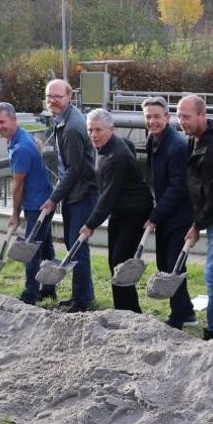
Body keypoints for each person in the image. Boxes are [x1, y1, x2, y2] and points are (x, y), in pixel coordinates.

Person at [78, 109, 153, 313]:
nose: (93, 135)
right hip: (120, 211)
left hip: (134, 212)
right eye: (90, 130)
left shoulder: (115, 156)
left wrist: (90, 225)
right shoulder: (108, 146)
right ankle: (129, 309)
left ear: (112, 129)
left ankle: (124, 312)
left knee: (120, 262)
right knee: (116, 261)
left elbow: (108, 197)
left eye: (99, 130)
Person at [177, 94, 213, 338]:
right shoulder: (196, 139)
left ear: (202, 115)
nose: (182, 121)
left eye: (187, 116)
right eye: (179, 116)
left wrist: (196, 226)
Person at [40, 80, 98, 313]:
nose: (52, 100)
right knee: (74, 245)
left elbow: (74, 170)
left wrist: (53, 198)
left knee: (77, 247)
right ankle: (82, 294)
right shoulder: (63, 119)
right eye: (49, 96)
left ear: (69, 97)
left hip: (82, 193)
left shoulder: (72, 127)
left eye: (57, 96)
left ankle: (81, 301)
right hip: (74, 192)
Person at [0, 102, 56, 305]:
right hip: (43, 198)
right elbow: (37, 142)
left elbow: (17, 185)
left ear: (14, 120)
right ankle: (49, 289)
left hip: (37, 205)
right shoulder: (20, 136)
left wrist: (14, 214)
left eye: (2, 122)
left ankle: (30, 295)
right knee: (45, 246)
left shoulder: (21, 148)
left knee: (30, 250)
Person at [142, 96, 196, 328]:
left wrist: (156, 215)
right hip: (166, 211)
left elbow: (178, 188)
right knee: (164, 263)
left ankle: (178, 317)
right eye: (148, 117)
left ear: (167, 117)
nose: (152, 121)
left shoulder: (176, 146)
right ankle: (188, 311)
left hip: (180, 214)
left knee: (174, 266)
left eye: (157, 116)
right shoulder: (152, 140)